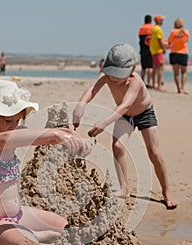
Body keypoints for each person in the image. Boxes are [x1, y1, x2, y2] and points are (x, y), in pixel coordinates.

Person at [0, 80, 91, 245]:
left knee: (72, 227)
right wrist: (55, 136)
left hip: (19, 214)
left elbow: (37, 132)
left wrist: (71, 135)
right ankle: (34, 235)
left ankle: (30, 231)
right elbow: (9, 137)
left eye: (17, 120)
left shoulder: (12, 130)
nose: (14, 126)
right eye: (8, 120)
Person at [73, 43, 178, 210]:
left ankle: (167, 192)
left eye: (119, 75)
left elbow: (125, 105)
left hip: (144, 114)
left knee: (154, 153)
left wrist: (104, 123)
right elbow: (92, 90)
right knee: (117, 147)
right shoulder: (106, 76)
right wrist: (81, 105)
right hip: (125, 117)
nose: (114, 78)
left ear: (132, 69)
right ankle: (124, 188)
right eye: (112, 73)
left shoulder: (135, 82)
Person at [167, 18, 190, 94]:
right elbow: (186, 40)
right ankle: (182, 88)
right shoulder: (186, 32)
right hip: (183, 53)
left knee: (176, 73)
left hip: (174, 53)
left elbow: (169, 42)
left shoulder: (173, 32)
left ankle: (178, 89)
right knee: (184, 72)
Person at [149, 14, 166, 91]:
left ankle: (153, 85)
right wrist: (164, 48)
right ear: (158, 20)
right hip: (158, 50)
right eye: (161, 20)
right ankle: (159, 86)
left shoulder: (154, 28)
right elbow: (159, 40)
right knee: (160, 69)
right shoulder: (158, 29)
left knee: (155, 68)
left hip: (153, 50)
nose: (162, 22)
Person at [138, 14, 154, 88]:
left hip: (143, 50)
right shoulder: (153, 28)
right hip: (151, 49)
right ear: (150, 20)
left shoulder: (141, 28)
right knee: (150, 67)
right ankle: (149, 82)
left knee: (143, 67)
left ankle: (142, 81)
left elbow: (140, 40)